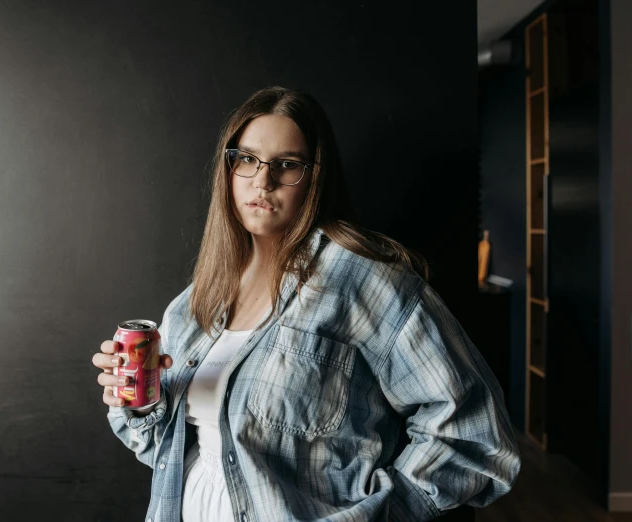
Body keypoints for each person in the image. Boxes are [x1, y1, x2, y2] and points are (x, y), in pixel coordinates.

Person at [92, 86, 521, 522]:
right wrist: (140, 404)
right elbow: (165, 451)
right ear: (228, 168)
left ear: (315, 177)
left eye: (287, 165)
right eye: (247, 159)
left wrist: (381, 514)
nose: (263, 181)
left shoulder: (362, 281)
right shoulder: (195, 305)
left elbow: (474, 436)